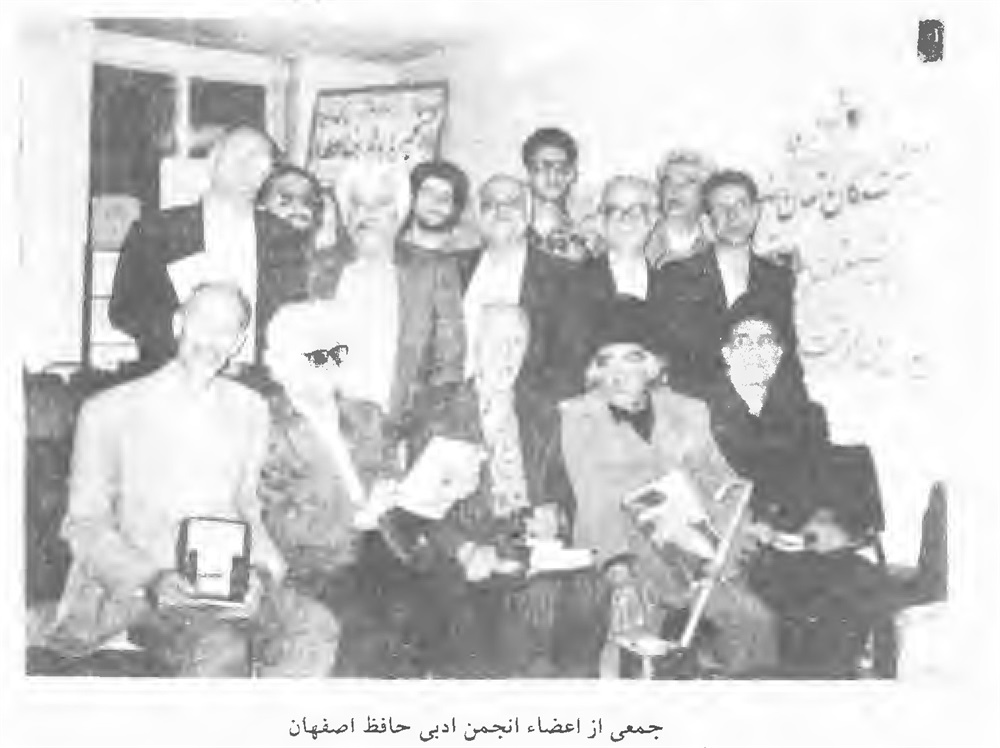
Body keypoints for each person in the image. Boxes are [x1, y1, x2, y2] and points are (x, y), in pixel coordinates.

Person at [48, 283, 340, 677]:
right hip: (141, 591)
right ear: (178, 324)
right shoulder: (107, 411)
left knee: (315, 629)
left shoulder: (250, 409)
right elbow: (84, 525)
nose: (212, 340)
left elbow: (248, 508)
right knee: (219, 647)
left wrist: (261, 574)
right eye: (202, 322)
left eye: (227, 329)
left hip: (228, 588)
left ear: (239, 342)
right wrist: (152, 580)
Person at [558, 301, 777, 676]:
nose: (617, 373)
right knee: (632, 655)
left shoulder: (689, 411)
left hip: (690, 549)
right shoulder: (580, 416)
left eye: (631, 358)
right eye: (605, 360)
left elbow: (722, 482)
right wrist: (619, 571)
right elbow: (593, 497)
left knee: (754, 623)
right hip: (620, 550)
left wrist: (737, 534)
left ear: (652, 365)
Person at [708, 315, 925, 677]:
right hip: (739, 545)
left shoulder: (806, 414)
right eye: (744, 343)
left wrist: (823, 520)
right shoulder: (705, 415)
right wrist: (752, 527)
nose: (755, 352)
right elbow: (707, 486)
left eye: (765, 343)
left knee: (862, 585)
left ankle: (833, 682)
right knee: (800, 599)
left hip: (797, 541)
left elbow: (818, 478)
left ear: (777, 355)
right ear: (728, 354)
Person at [309, 162, 466, 443]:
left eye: (380, 204)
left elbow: (448, 367)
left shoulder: (432, 269)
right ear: (345, 213)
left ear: (400, 212)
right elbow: (302, 355)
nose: (367, 215)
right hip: (328, 433)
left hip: (401, 434)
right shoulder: (318, 268)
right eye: (357, 203)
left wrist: (417, 433)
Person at [109, 125, 278, 369]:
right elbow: (124, 310)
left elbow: (311, 329)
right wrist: (185, 335)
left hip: (260, 382)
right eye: (238, 153)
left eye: (259, 159)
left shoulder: (289, 239)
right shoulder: (154, 232)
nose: (247, 164)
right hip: (175, 376)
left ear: (269, 174)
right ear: (213, 161)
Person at [657, 169, 801, 399]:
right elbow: (676, 356)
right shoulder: (676, 276)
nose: (733, 216)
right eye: (721, 208)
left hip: (761, 409)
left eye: (741, 205)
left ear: (756, 211)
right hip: (699, 408)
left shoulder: (778, 278)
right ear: (706, 220)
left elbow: (786, 359)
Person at [459, 175, 580, 401]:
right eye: (490, 204)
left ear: (528, 211)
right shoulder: (452, 268)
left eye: (512, 203)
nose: (500, 211)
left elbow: (570, 364)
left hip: (525, 411)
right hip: (450, 410)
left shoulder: (565, 277)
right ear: (477, 214)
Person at [563, 176, 663, 382]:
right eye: (614, 210)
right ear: (601, 222)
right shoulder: (571, 283)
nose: (625, 219)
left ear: (652, 219)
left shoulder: (673, 285)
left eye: (636, 210)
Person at [521, 127, 595, 262]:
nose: (553, 176)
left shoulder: (586, 237)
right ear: (528, 174)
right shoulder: (514, 234)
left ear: (573, 174)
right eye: (543, 168)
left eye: (561, 168)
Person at [644, 149, 714, 268]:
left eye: (688, 182)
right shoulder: (642, 239)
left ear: (705, 193)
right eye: (668, 181)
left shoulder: (715, 245)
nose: (674, 190)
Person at [398, 160, 483, 257]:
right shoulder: (388, 245)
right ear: (412, 197)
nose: (437, 201)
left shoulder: (470, 258)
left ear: (454, 207)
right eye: (428, 192)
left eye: (446, 197)